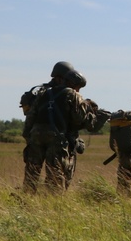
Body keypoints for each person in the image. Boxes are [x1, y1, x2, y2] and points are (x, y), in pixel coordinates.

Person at [22, 61, 95, 193]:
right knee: (55, 175)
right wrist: (87, 107)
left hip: (35, 136)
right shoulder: (72, 94)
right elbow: (78, 119)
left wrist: (28, 137)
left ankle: (26, 199)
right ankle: (53, 204)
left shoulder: (43, 92)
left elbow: (30, 117)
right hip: (56, 138)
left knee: (31, 173)